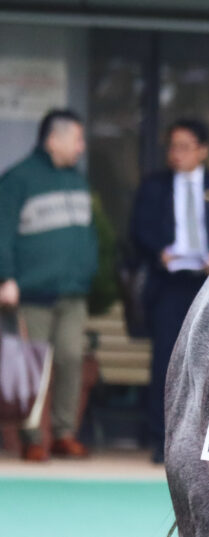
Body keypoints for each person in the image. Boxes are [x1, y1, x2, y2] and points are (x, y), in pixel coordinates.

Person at [129, 118, 209, 463]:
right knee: (166, 362)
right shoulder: (154, 187)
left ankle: (205, 441)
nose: (175, 154)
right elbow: (138, 231)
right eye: (172, 146)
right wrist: (158, 252)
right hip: (169, 284)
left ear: (203, 150)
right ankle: (160, 439)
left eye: (184, 147)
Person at [0, 109, 97, 462]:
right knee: (31, 365)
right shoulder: (18, 179)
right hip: (31, 293)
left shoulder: (77, 180)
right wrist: (6, 277)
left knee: (72, 358)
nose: (82, 147)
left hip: (72, 293)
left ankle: (62, 434)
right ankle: (31, 438)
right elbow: (2, 231)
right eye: (78, 139)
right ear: (53, 140)